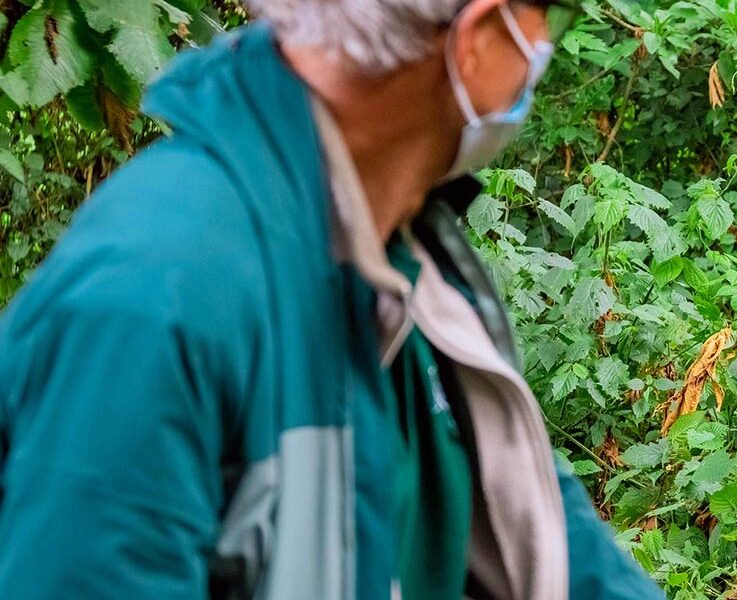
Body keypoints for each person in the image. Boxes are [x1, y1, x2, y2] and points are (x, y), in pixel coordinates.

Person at [0, 0, 663, 598]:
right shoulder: (154, 296)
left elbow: (553, 543)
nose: (544, 41)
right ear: (477, 39)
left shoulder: (407, 255)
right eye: (545, 12)